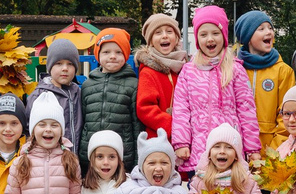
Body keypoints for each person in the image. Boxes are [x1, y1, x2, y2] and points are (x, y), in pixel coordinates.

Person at [173, 6, 256, 182]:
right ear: (196, 39)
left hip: (229, 149)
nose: (210, 39)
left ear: (224, 36)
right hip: (199, 148)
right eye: (203, 34)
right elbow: (180, 109)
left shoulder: (236, 70)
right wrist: (181, 143)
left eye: (215, 33)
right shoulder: (188, 71)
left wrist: (253, 149)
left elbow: (247, 110)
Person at [79, 26, 141, 172]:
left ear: (126, 55)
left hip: (122, 157)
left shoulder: (133, 85)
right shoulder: (87, 85)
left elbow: (137, 125)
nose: (112, 56)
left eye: (118, 52)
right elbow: (82, 121)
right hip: (92, 156)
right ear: (98, 55)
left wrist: (138, 160)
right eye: (106, 52)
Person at [237, 10, 296, 151]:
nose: (269, 32)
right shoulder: (235, 69)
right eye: (261, 29)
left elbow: (287, 114)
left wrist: (275, 149)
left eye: (270, 28)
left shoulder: (283, 71)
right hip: (237, 145)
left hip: (270, 147)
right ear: (247, 37)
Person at [134, 12, 185, 152]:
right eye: (158, 32)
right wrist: (174, 126)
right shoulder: (149, 71)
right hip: (159, 138)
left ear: (176, 38)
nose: (164, 35)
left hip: (184, 138)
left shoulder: (183, 67)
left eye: (169, 31)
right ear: (150, 41)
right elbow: (145, 108)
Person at [30, 38, 87, 154]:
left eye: (70, 64)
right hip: (50, 160)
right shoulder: (40, 94)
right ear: (50, 67)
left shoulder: (77, 92)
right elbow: (29, 127)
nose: (65, 68)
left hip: (74, 158)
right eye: (59, 63)